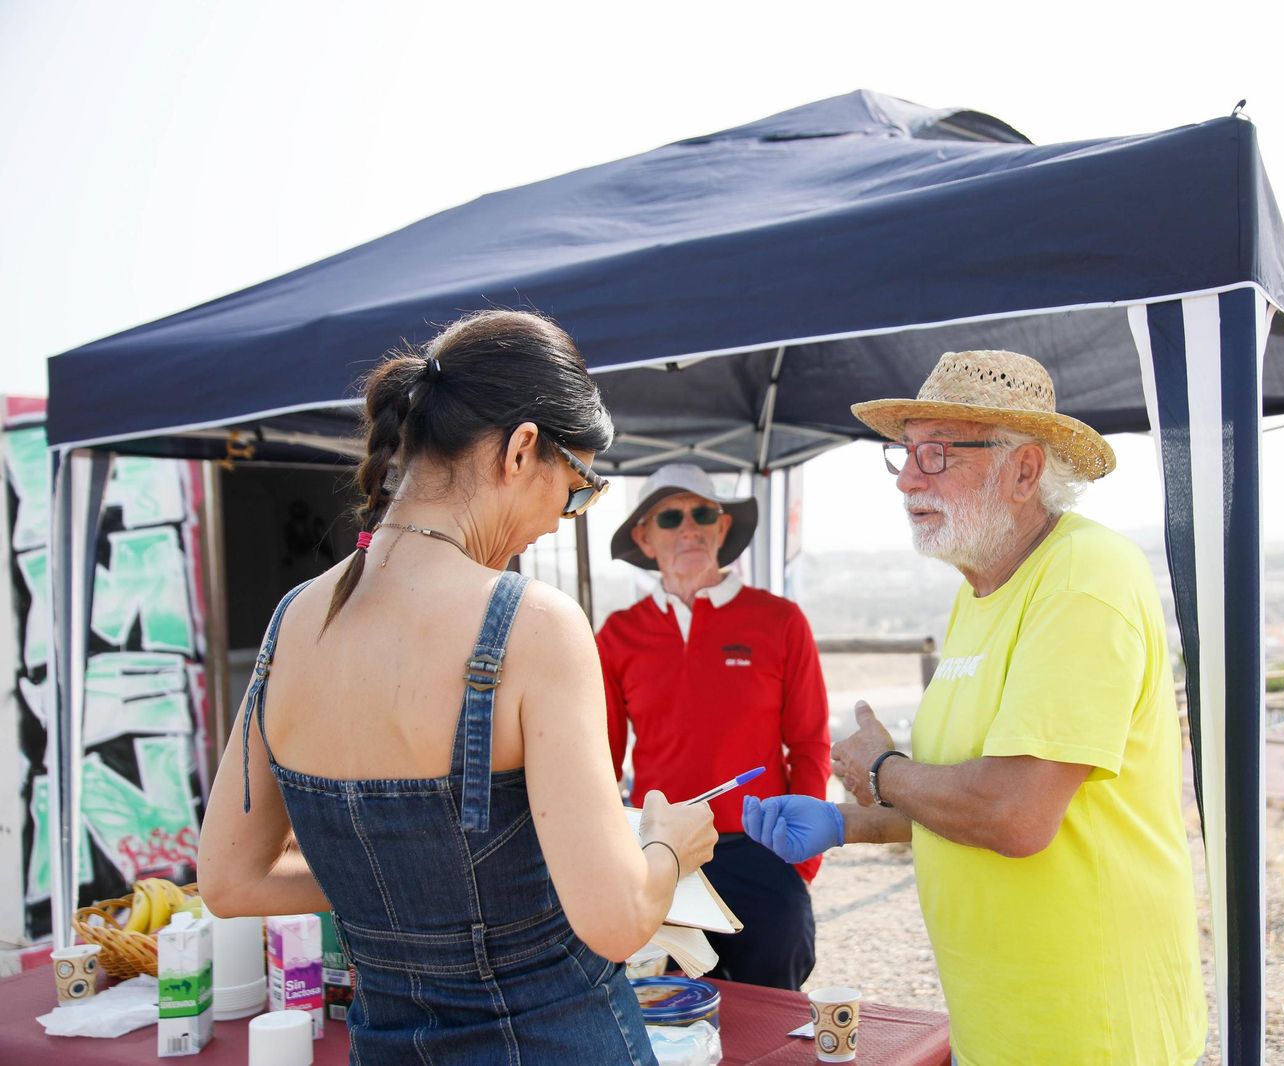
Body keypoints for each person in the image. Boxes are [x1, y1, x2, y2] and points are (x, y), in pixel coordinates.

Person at [198, 310, 717, 1064]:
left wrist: (403, 890)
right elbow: (616, 920)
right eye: (574, 492)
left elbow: (231, 881)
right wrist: (669, 849)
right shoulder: (531, 625)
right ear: (522, 450)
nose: (555, 522)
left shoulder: (293, 621)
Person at [742, 349, 1207, 1064]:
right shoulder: (981, 589)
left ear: (1023, 471)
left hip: (1093, 1024)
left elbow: (1015, 812)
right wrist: (845, 822)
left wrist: (886, 767)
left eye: (936, 454)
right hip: (1005, 1016)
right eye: (902, 455)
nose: (907, 480)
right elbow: (966, 795)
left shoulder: (1084, 577)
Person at [598, 462, 831, 990]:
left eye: (703, 513)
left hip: (762, 849)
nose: (690, 527)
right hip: (663, 857)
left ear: (722, 529)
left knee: (774, 1015)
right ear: (645, 537)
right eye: (671, 517)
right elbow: (602, 764)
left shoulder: (780, 620)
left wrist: (801, 862)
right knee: (674, 1014)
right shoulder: (617, 636)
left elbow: (812, 745)